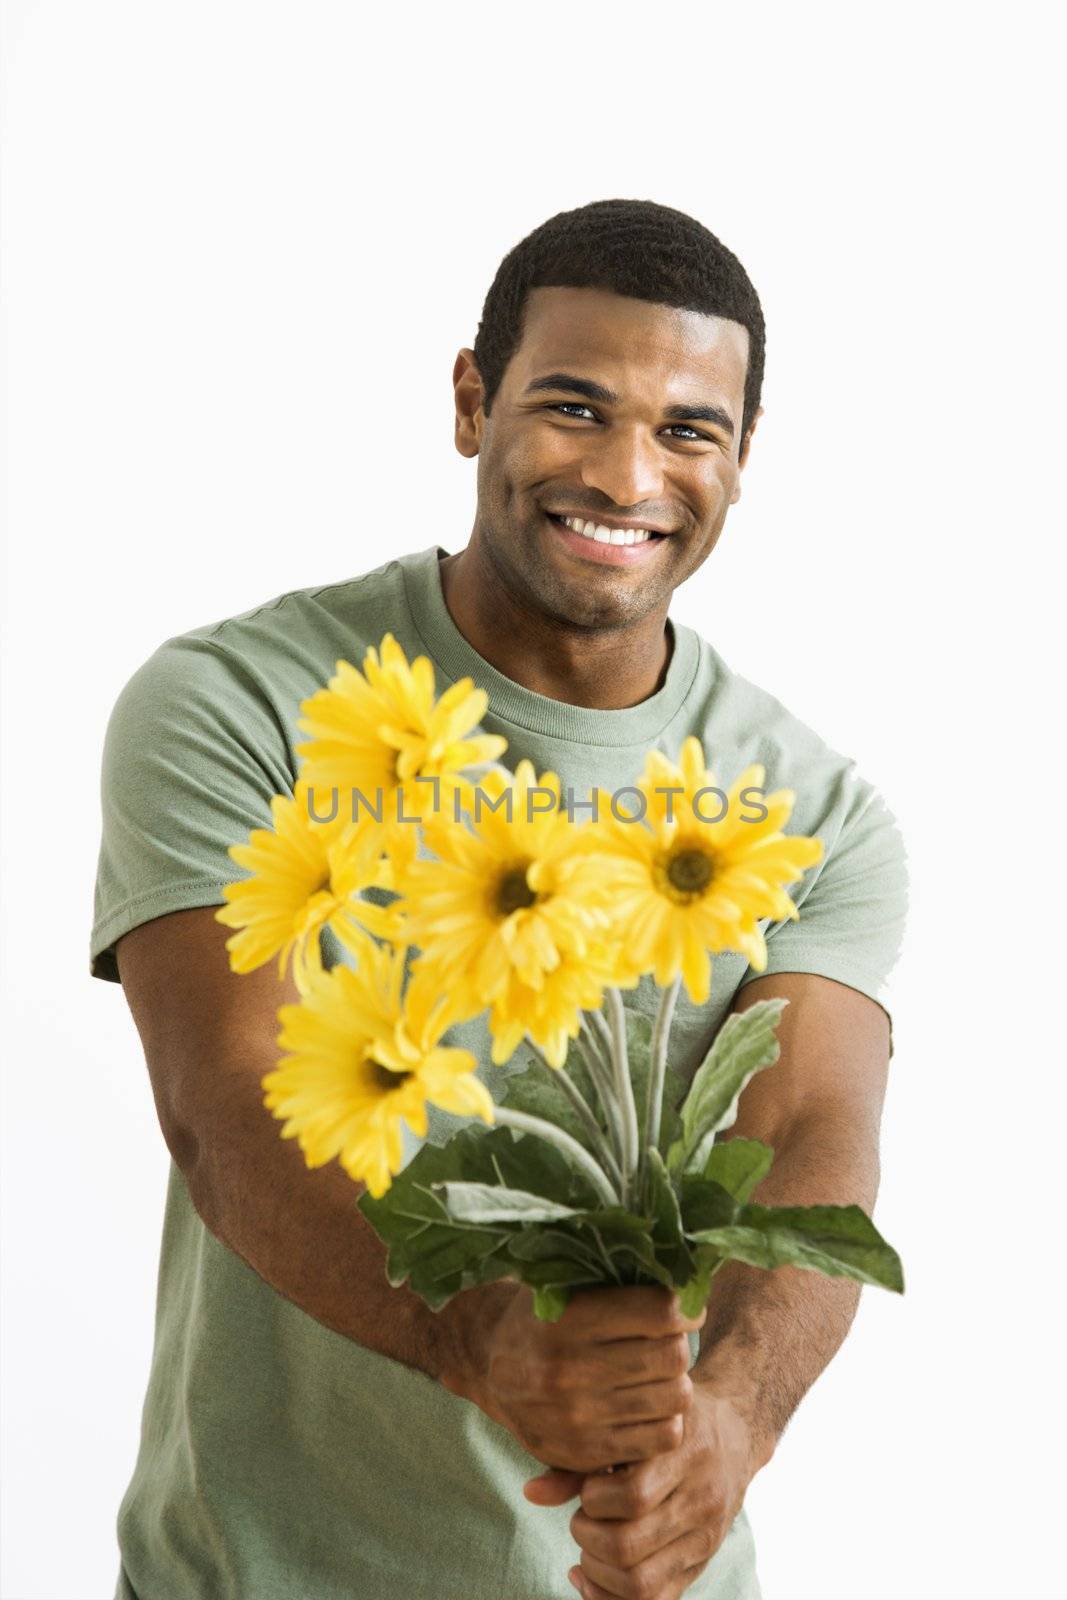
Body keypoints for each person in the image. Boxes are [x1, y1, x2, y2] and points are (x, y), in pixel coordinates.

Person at [90, 197, 908, 1600]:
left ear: (742, 457)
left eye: (688, 429)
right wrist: (472, 1336)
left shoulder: (811, 810)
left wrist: (739, 1422)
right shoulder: (239, 706)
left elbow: (810, 1131)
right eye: (575, 406)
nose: (628, 473)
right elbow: (226, 1106)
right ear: (473, 403)